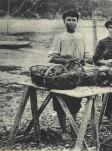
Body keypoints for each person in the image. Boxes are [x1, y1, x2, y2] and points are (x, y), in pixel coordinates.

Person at [49, 10, 87, 141]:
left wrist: (88, 60)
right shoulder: (59, 37)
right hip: (61, 74)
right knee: (60, 102)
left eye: (73, 20)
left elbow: (85, 55)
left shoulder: (81, 37)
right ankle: (64, 131)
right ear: (64, 21)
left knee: (75, 102)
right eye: (68, 20)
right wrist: (66, 60)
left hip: (77, 73)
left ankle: (73, 128)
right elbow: (52, 57)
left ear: (77, 22)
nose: (71, 22)